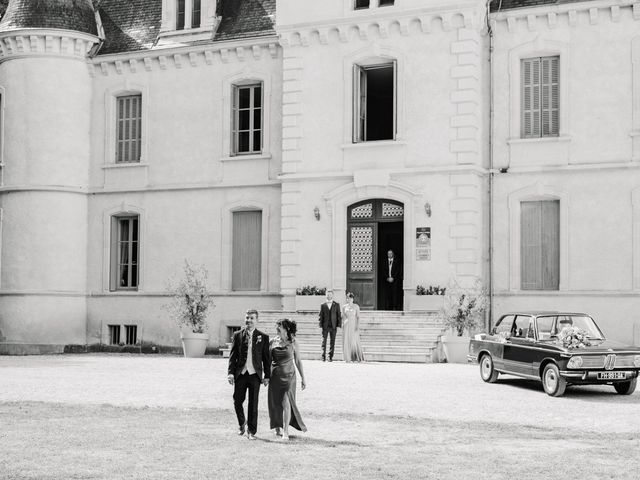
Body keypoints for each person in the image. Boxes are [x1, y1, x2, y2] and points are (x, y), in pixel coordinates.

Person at [227, 309, 270, 440]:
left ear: (256, 320)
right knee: (237, 401)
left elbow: (266, 359)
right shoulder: (238, 335)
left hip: (255, 375)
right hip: (241, 373)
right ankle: (242, 423)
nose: (249, 320)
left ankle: (251, 431)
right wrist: (230, 373)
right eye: (247, 318)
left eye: (252, 318)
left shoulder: (263, 337)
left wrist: (267, 376)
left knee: (253, 404)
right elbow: (232, 356)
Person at [268, 318, 307, 441]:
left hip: (289, 376)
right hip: (275, 376)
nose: (277, 328)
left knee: (286, 401)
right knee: (275, 403)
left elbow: (298, 361)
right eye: (276, 326)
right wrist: (266, 377)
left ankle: (286, 430)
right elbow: (268, 361)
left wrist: (303, 378)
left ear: (286, 329)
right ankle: (277, 427)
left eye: (279, 326)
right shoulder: (272, 342)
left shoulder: (294, 342)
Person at [318, 289, 341, 361]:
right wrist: (320, 324)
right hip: (325, 326)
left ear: (332, 295)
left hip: (333, 326)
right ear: (326, 295)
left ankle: (330, 356)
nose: (329, 296)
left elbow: (338, 315)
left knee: (332, 341)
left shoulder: (336, 304)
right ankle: (323, 356)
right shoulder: (323, 305)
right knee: (324, 341)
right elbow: (320, 315)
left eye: (330, 294)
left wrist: (339, 324)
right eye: (328, 294)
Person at [342, 292, 365, 362]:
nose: (349, 299)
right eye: (348, 298)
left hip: (353, 325)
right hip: (346, 325)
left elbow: (358, 317)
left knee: (354, 341)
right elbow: (343, 316)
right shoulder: (344, 307)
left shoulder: (356, 306)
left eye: (351, 298)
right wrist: (343, 323)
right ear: (347, 299)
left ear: (353, 299)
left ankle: (355, 357)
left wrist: (357, 326)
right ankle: (347, 357)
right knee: (347, 341)